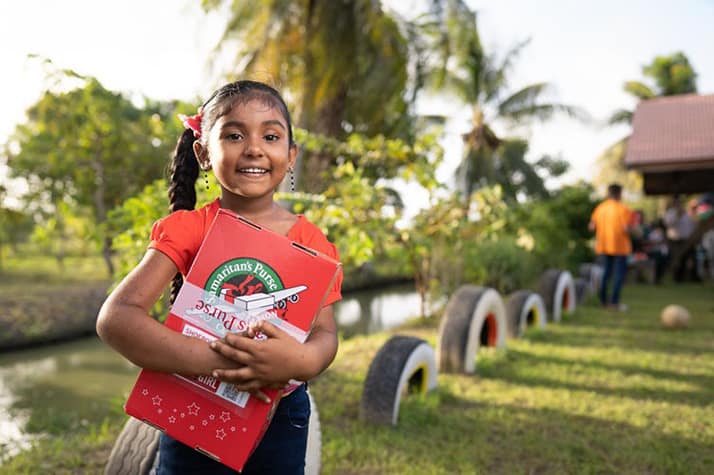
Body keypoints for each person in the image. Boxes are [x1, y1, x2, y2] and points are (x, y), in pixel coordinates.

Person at [96, 80, 342, 474]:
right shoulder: (189, 230)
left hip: (280, 414)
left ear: (291, 155)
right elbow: (117, 319)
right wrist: (221, 361)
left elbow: (325, 334)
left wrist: (301, 359)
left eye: (271, 135)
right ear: (204, 153)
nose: (254, 147)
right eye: (233, 134)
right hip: (193, 398)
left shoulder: (312, 244)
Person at [588, 183, 634, 311]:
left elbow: (591, 227)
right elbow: (627, 228)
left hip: (603, 246)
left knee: (605, 274)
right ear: (619, 193)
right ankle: (614, 302)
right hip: (620, 247)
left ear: (608, 193)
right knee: (618, 275)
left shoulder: (600, 208)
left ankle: (603, 301)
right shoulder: (624, 209)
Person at [663, 195, 697, 282]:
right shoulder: (670, 213)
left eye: (680, 202)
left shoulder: (687, 213)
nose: (679, 204)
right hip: (675, 240)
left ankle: (692, 277)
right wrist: (678, 215)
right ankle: (677, 278)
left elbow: (691, 225)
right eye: (677, 202)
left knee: (691, 259)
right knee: (678, 259)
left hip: (687, 240)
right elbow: (668, 224)